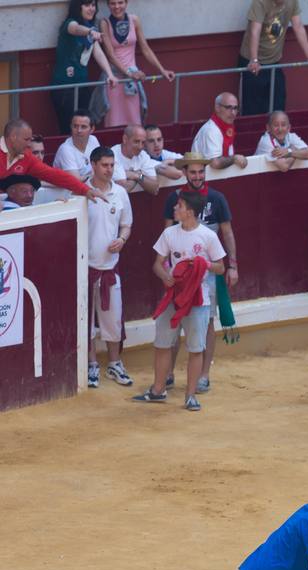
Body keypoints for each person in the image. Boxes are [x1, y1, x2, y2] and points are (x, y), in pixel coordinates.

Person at [133, 192, 226, 411]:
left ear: (190, 212)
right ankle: (158, 390)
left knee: (195, 349)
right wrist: (166, 277)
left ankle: (190, 395)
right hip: (174, 295)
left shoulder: (208, 236)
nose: (175, 209)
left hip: (197, 298)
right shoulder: (169, 233)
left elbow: (221, 267)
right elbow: (158, 263)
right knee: (162, 344)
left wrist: (203, 264)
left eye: (180, 206)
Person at [163, 152, 238, 394]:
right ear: (185, 172)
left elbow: (227, 233)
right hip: (180, 273)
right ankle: (168, 372)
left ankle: (204, 374)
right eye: (193, 172)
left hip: (207, 272)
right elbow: (166, 235)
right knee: (175, 321)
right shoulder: (175, 200)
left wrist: (233, 265)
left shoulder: (217, 198)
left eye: (201, 172)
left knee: (207, 322)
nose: (197, 176)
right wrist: (167, 270)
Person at [84, 147, 133, 390]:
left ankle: (114, 362)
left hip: (109, 270)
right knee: (86, 322)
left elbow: (127, 226)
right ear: (93, 165)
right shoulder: (82, 192)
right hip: (84, 269)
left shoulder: (121, 193)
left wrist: (122, 240)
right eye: (105, 165)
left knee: (113, 321)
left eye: (112, 165)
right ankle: (91, 364)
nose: (110, 169)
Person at [239, 0, 308, 117]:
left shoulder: (292, 2)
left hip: (274, 62)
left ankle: (276, 135)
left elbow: (298, 26)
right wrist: (254, 59)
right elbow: (254, 31)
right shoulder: (260, 2)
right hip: (252, 62)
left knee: (278, 105)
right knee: (252, 110)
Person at [100, 0, 173, 128]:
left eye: (120, 2)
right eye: (112, 3)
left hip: (132, 80)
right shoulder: (104, 23)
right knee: (113, 122)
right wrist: (129, 73)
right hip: (115, 79)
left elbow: (145, 48)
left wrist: (162, 70)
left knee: (134, 122)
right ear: (108, 5)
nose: (117, 6)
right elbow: (110, 55)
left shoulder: (134, 20)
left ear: (126, 3)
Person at [49, 1, 118, 135]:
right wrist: (90, 31)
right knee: (68, 129)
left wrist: (110, 74)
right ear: (77, 7)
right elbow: (75, 29)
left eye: (93, 5)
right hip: (64, 89)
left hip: (83, 86)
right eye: (87, 5)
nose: (91, 9)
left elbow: (98, 53)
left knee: (84, 127)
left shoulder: (90, 27)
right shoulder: (69, 23)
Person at [1, 119, 101, 200]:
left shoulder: (27, 157)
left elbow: (54, 175)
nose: (28, 144)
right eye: (26, 139)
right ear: (13, 137)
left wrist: (85, 190)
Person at [191, 94, 248, 170]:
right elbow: (215, 163)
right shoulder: (212, 130)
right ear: (217, 108)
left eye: (235, 108)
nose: (233, 112)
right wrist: (234, 158)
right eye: (228, 107)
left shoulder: (226, 126)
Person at [110, 123, 158, 195]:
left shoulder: (143, 155)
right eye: (136, 142)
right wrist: (142, 178)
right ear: (125, 139)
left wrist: (137, 176)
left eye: (143, 143)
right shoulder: (112, 155)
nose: (140, 147)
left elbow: (154, 188)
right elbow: (123, 189)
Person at [52, 110, 99, 182]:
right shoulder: (65, 149)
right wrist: (97, 175)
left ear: (92, 129)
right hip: (66, 191)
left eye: (83, 127)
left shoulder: (93, 140)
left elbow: (100, 166)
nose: (79, 130)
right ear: (71, 127)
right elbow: (76, 181)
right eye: (75, 126)